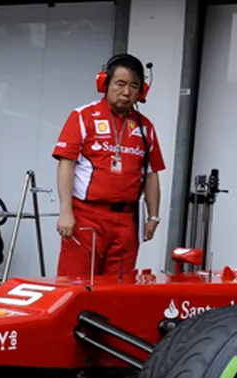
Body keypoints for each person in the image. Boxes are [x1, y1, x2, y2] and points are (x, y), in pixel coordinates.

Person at [53, 53, 165, 280]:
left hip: (127, 222)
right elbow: (66, 164)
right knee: (75, 284)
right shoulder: (83, 116)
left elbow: (151, 175)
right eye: (120, 84)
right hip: (87, 217)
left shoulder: (146, 128)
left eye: (134, 86)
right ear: (105, 84)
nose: (126, 92)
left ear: (141, 91)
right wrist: (66, 212)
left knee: (118, 289)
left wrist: (153, 217)